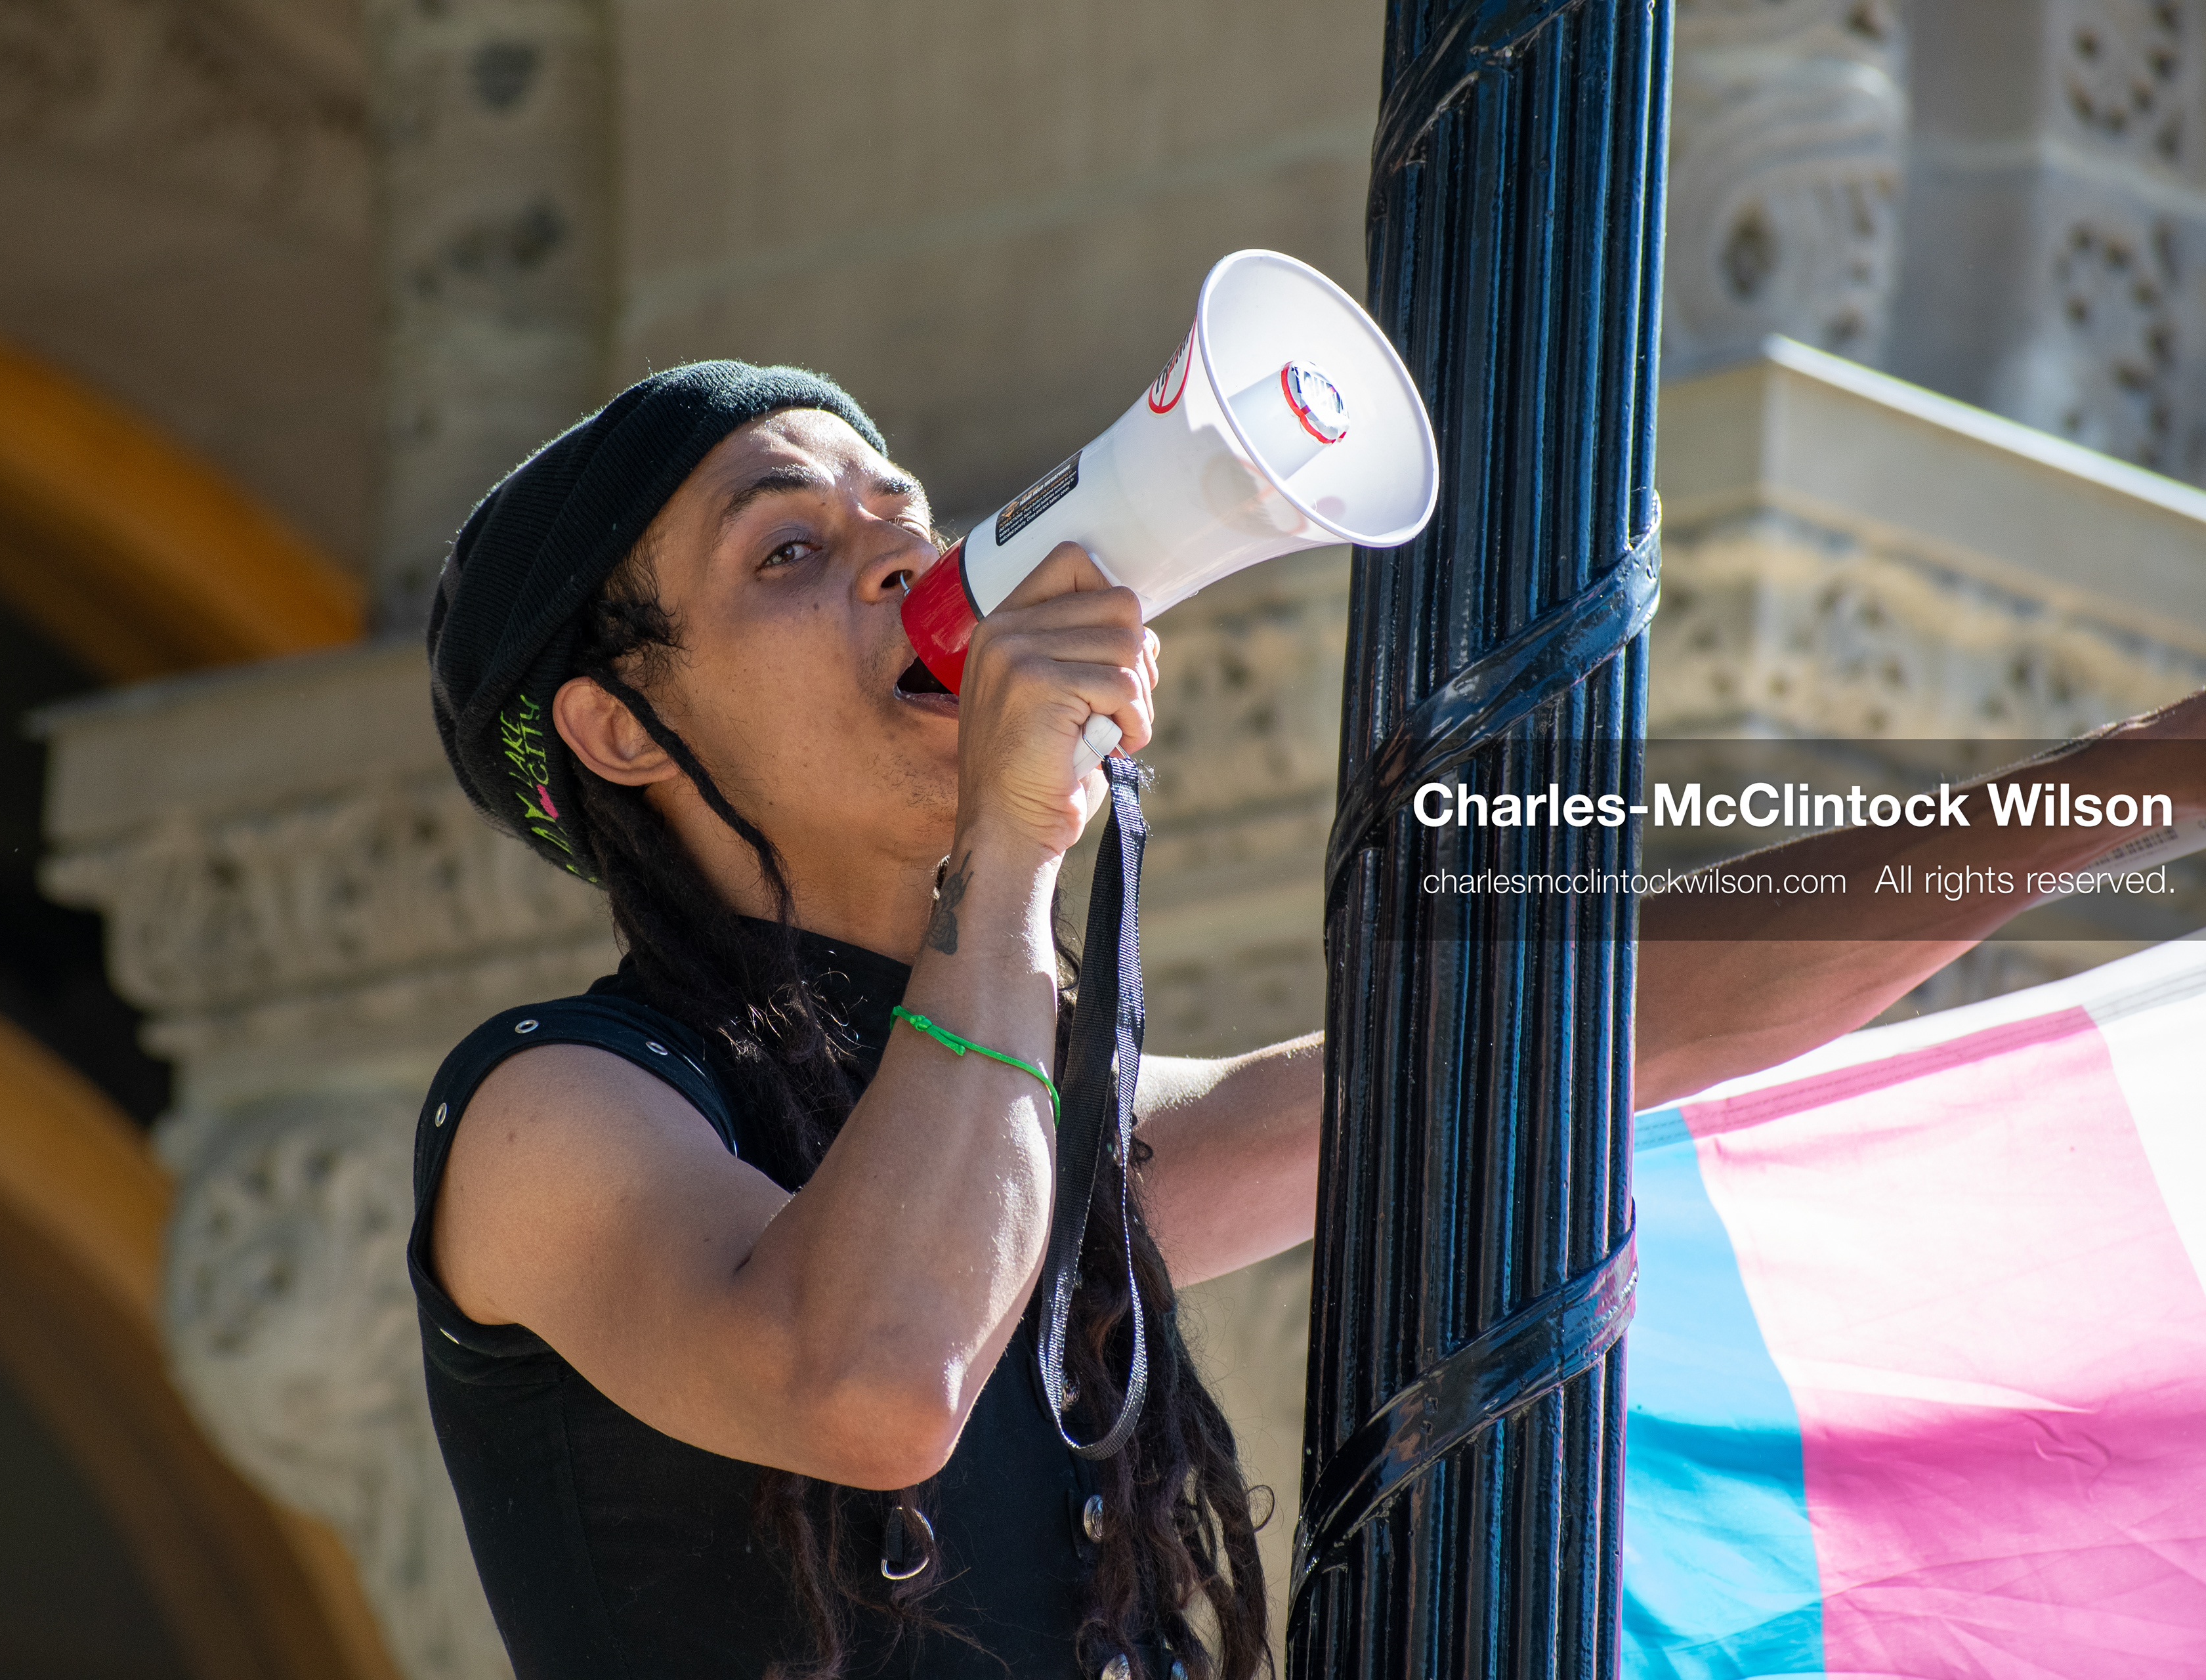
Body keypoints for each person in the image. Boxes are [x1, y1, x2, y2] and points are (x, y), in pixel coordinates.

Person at [412, 362, 2206, 1680]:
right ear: (619, 730)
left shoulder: (1054, 1129)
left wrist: (2152, 773)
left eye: (896, 508)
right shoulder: (551, 1113)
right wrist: (1011, 851)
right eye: (787, 552)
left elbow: (1620, 1025)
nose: (899, 552)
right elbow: (876, 1381)